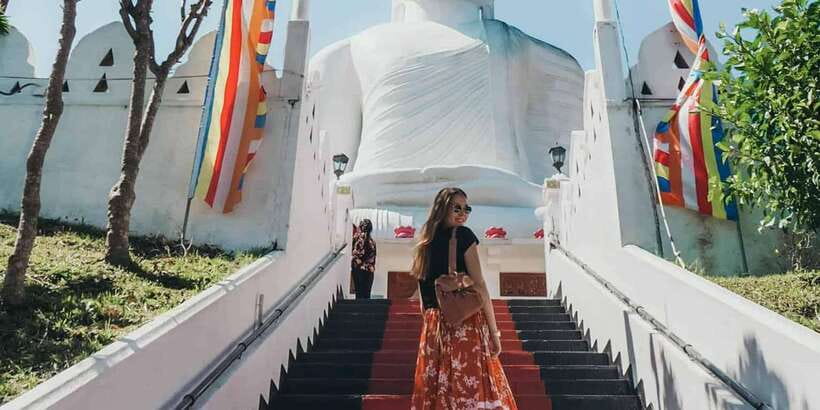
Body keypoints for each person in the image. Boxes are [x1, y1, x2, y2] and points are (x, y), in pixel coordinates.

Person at [410, 187, 517, 410]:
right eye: (456, 208)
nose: (462, 213)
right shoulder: (464, 236)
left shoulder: (424, 243)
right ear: (443, 209)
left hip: (433, 328)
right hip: (464, 324)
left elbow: (423, 299)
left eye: (466, 208)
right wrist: (494, 332)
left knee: (437, 394)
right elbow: (480, 287)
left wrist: (434, 326)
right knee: (469, 391)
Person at [351, 219, 376, 299]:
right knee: (366, 294)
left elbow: (354, 253)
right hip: (369, 270)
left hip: (358, 269)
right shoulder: (372, 241)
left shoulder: (357, 238)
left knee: (359, 293)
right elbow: (373, 257)